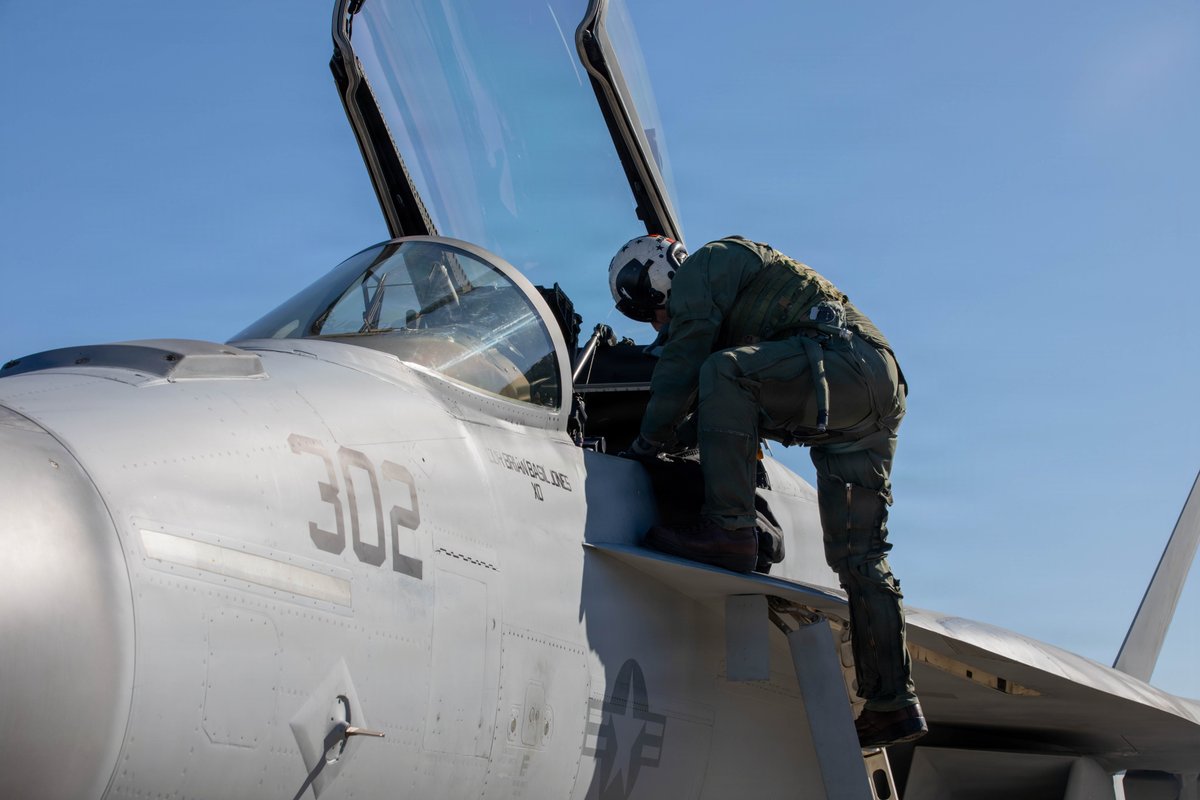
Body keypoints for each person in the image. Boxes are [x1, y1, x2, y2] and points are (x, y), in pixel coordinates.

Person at [610, 233, 926, 747]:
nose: (656, 324)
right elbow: (719, 418)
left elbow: (686, 363)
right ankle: (893, 702)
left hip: (840, 367)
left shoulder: (703, 269)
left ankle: (730, 531)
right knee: (860, 557)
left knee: (725, 372)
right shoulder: (733, 288)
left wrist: (647, 442)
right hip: (871, 391)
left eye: (649, 309)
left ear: (656, 274)